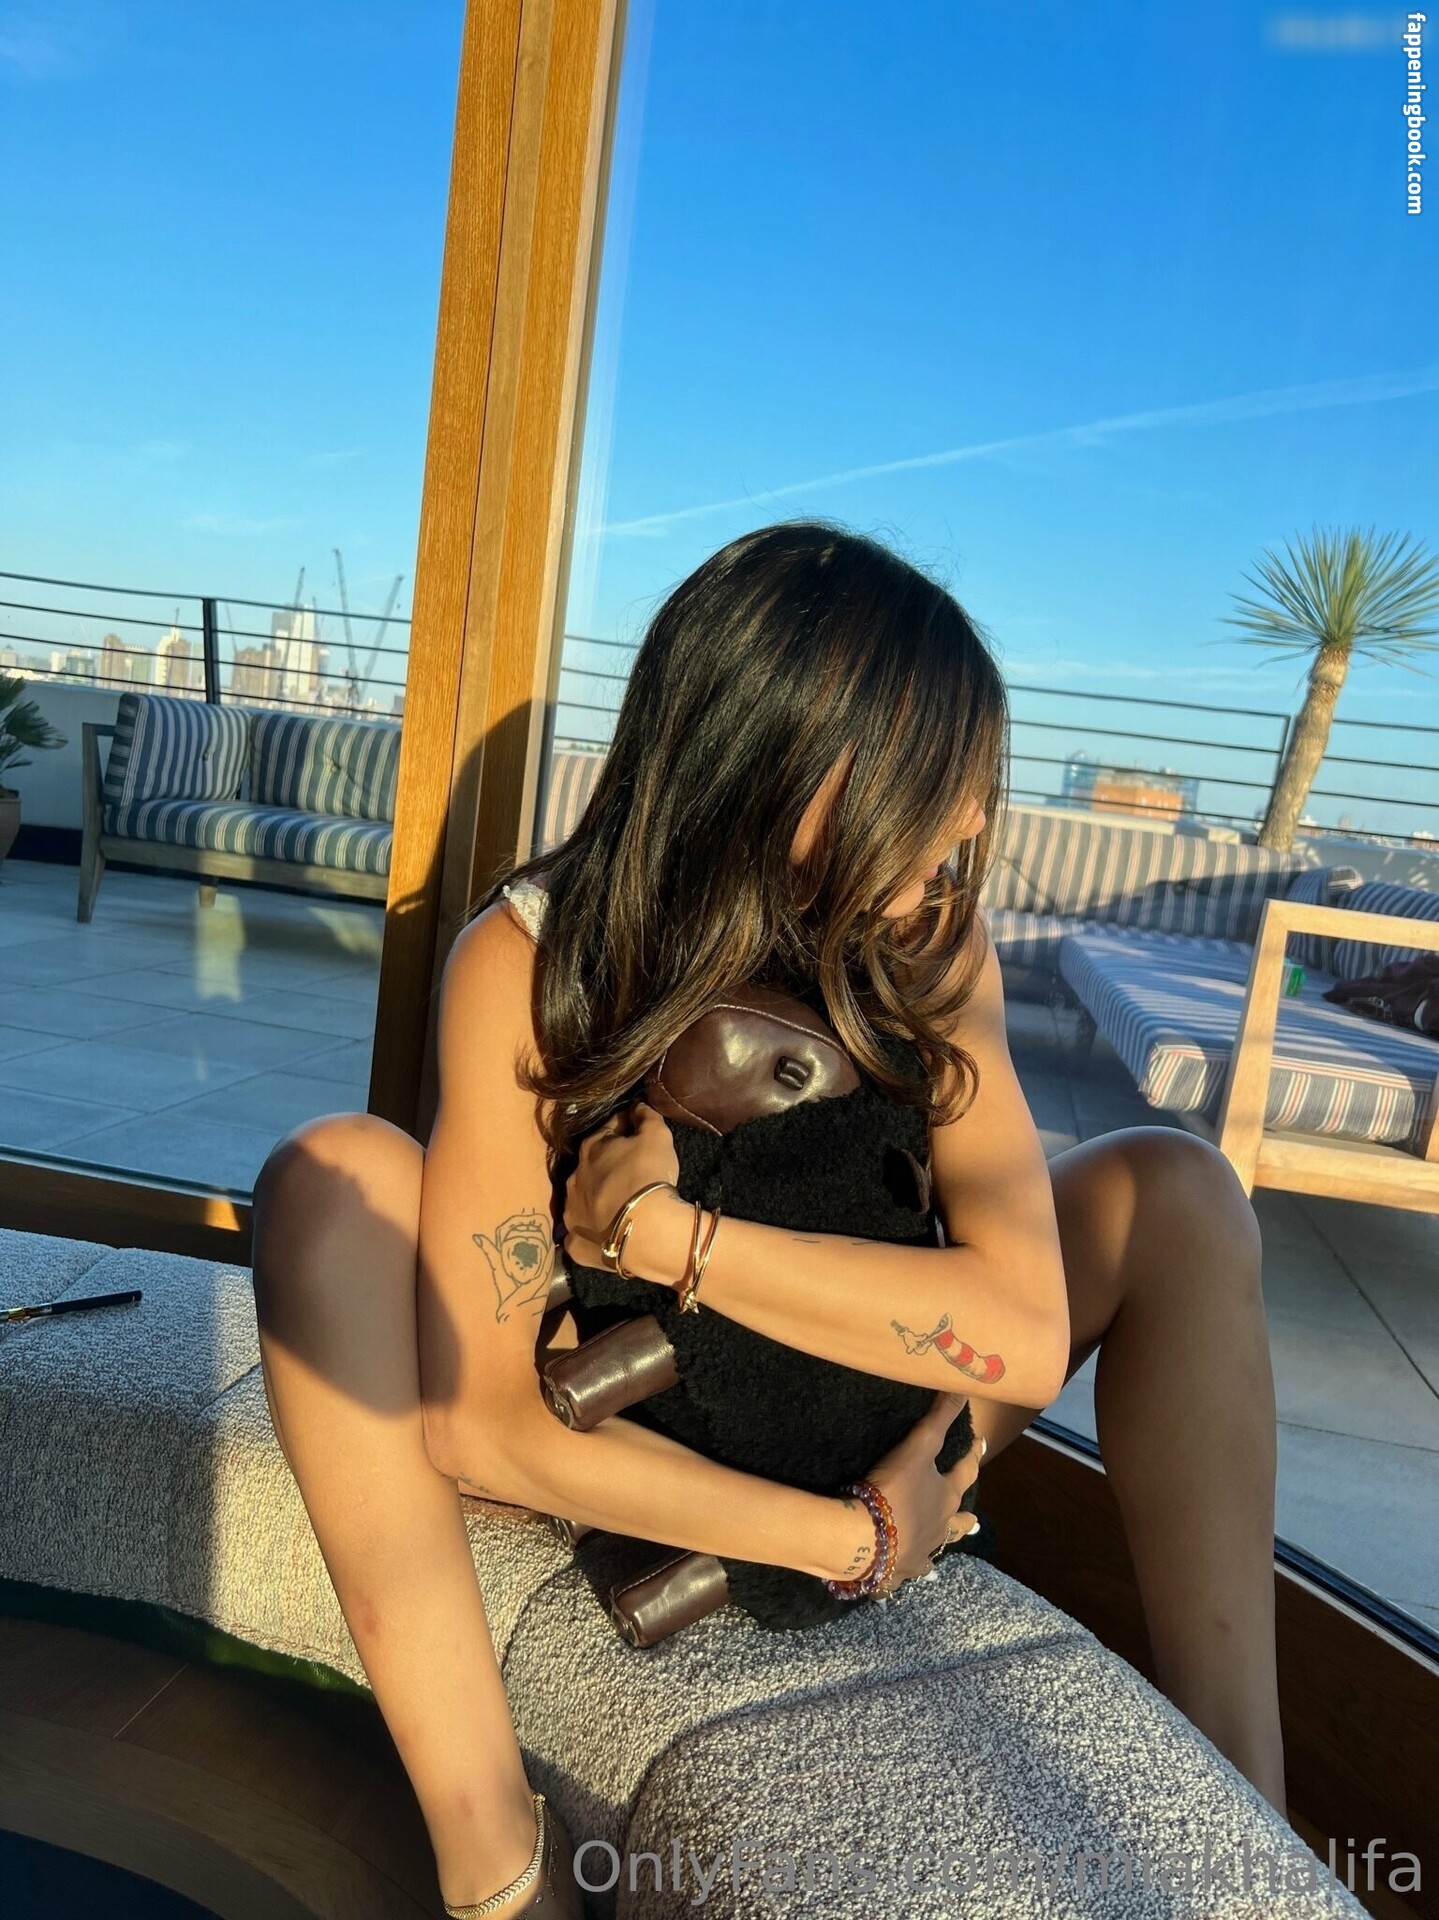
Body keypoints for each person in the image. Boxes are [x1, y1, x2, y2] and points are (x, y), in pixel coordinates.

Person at [250, 522, 1286, 1918]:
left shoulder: (930, 946)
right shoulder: (533, 959)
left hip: (879, 1393)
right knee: (329, 1181)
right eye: (938, 783)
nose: (969, 827)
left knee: (1181, 1192)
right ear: (783, 758)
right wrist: (849, 1540)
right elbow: (482, 1424)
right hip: (635, 1435)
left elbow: (1024, 1338)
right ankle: (493, 1863)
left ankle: (1254, 1815)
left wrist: (682, 1246)